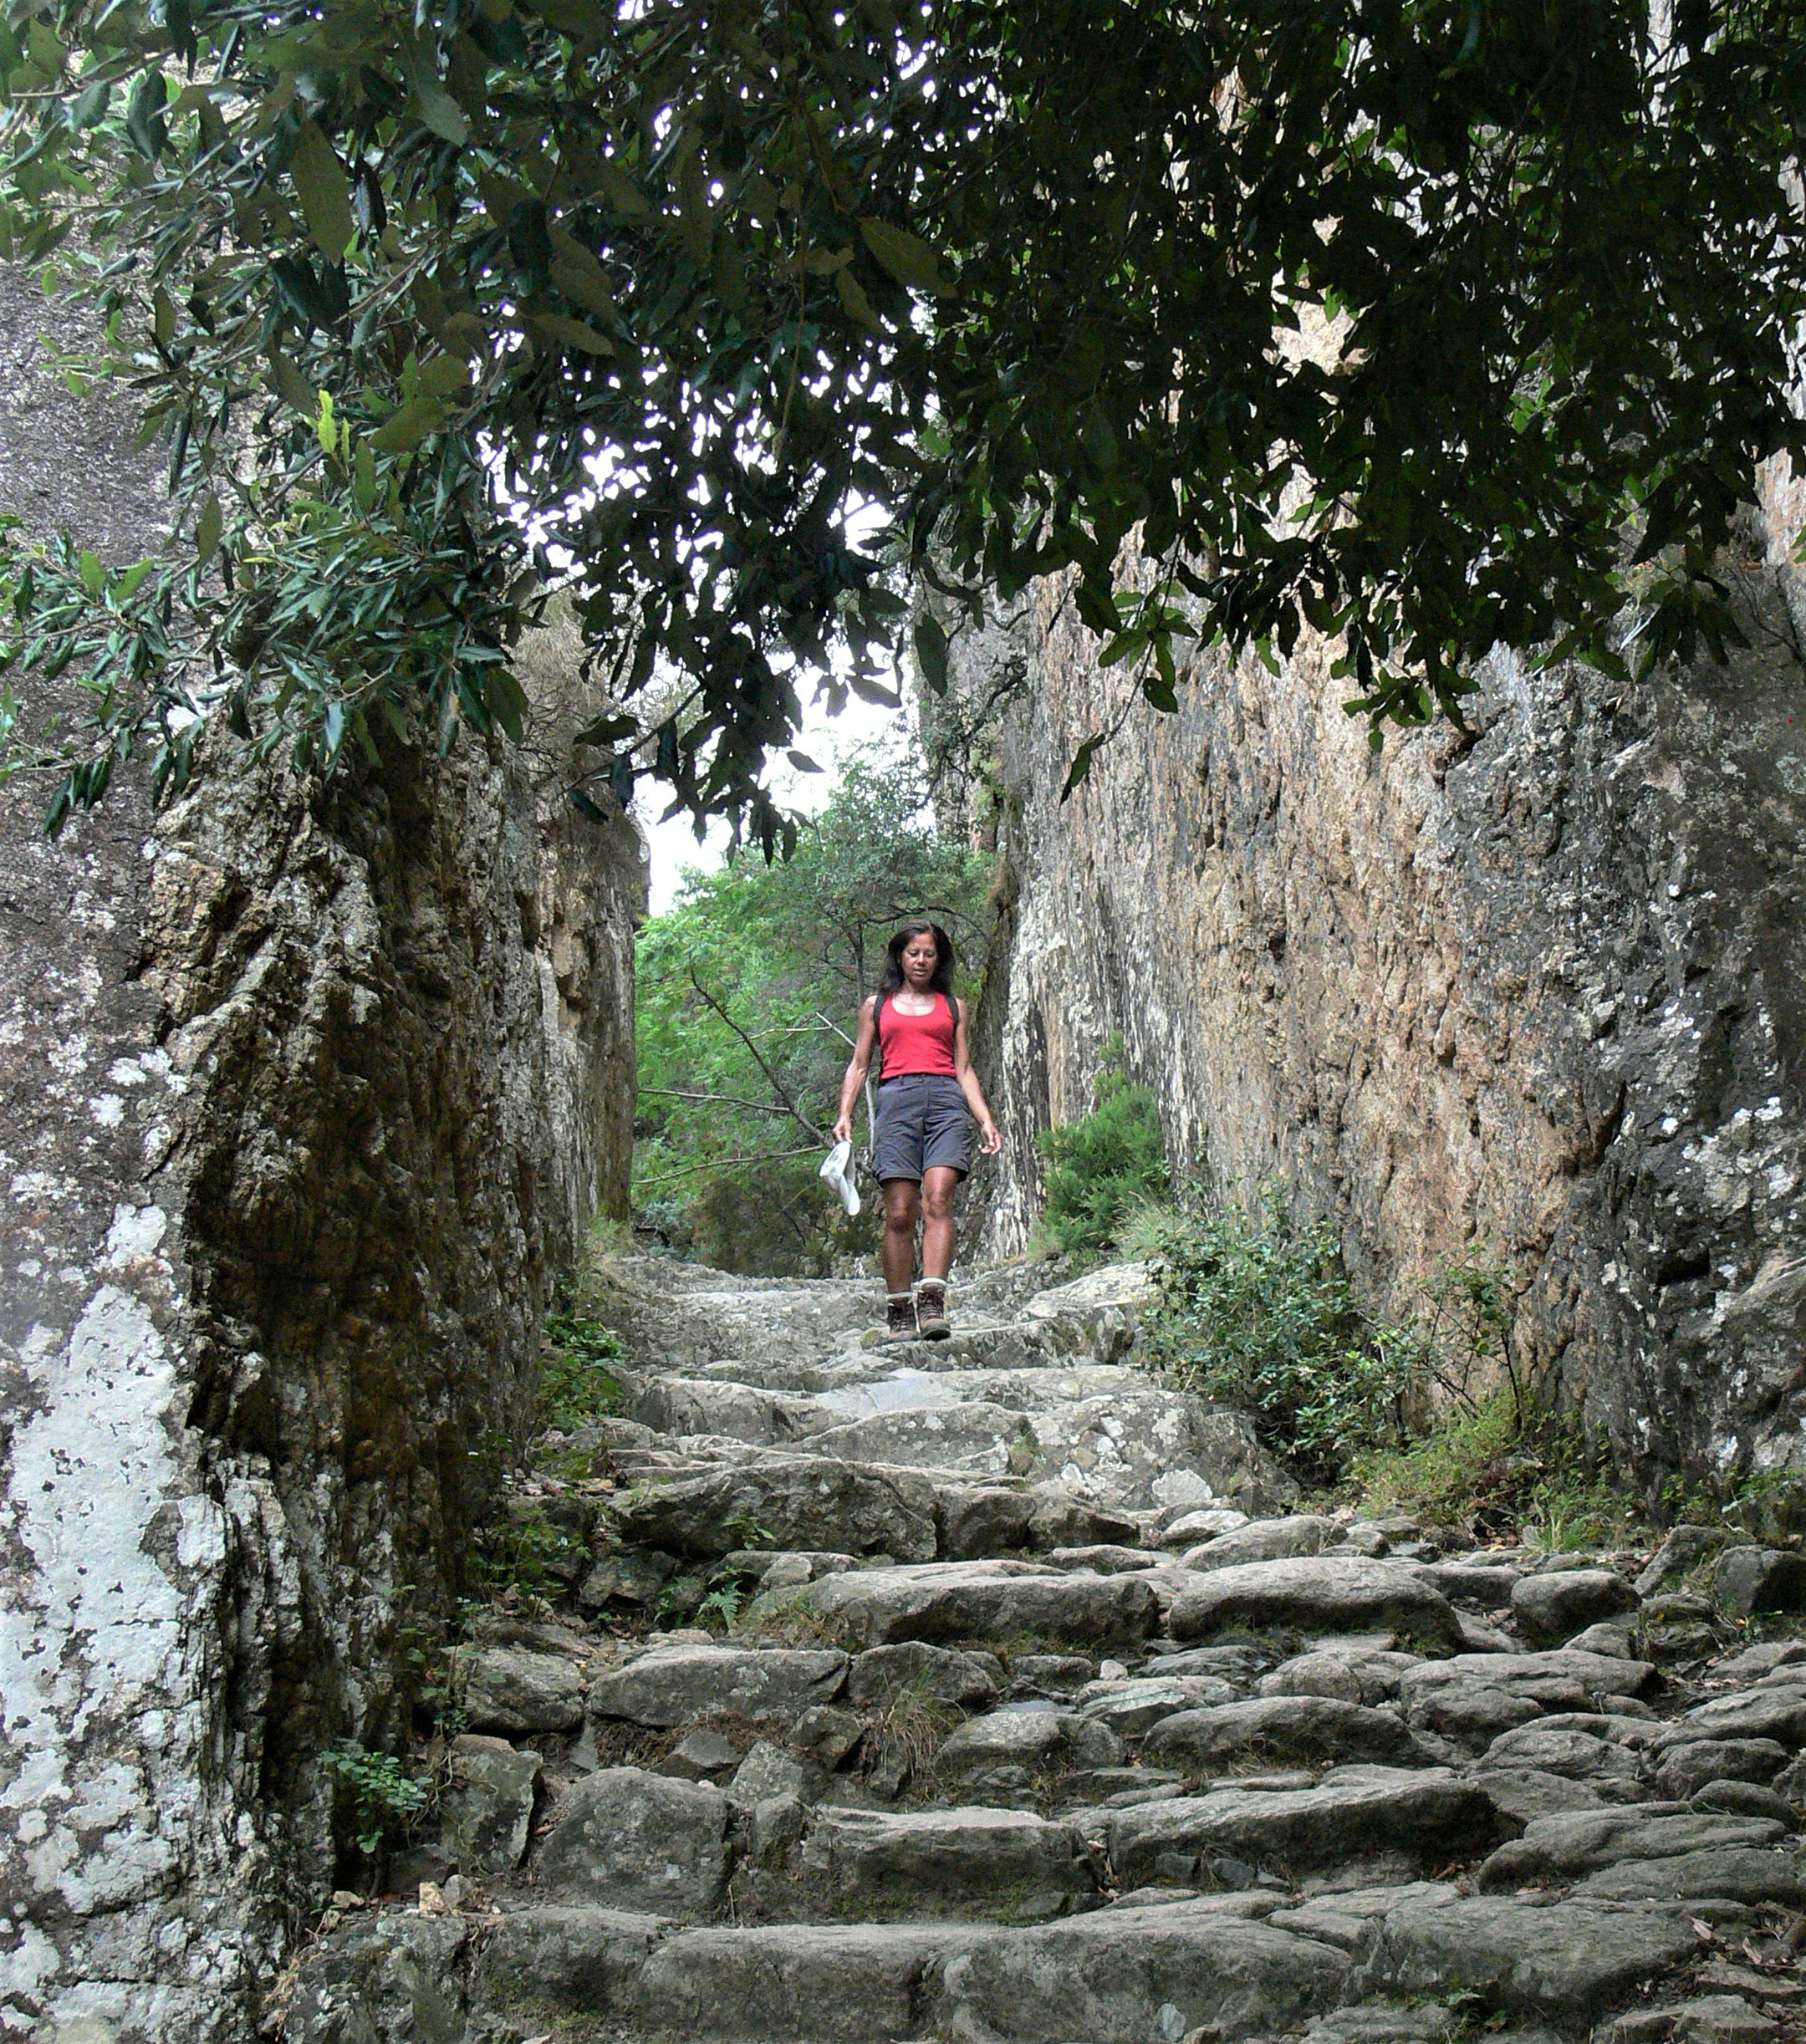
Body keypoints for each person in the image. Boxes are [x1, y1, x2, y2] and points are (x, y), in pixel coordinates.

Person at [832, 919, 1002, 1340]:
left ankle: (932, 1301)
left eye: (929, 953)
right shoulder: (876, 1006)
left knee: (939, 1199)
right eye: (913, 953)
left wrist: (984, 1119)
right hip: (896, 1103)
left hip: (946, 1103)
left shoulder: (954, 1007)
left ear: (938, 959)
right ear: (900, 957)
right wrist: (845, 1113)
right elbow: (859, 1064)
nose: (921, 961)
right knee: (899, 1212)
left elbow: (964, 1068)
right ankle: (899, 1308)